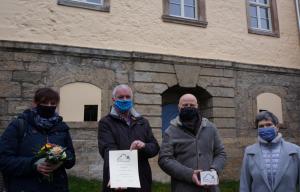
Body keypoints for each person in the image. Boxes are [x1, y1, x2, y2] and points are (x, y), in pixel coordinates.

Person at [0, 88, 76, 192]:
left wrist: (61, 156)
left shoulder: (61, 128)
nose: (49, 106)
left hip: (56, 187)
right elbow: (4, 160)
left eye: (52, 103)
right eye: (44, 102)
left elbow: (71, 159)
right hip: (25, 186)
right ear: (35, 103)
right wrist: (34, 165)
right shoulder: (19, 126)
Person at [158, 94, 226, 192]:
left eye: (192, 105)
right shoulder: (171, 131)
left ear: (197, 107)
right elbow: (164, 159)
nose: (189, 108)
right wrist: (189, 174)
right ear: (179, 107)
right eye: (185, 105)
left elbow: (221, 153)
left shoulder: (211, 128)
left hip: (210, 188)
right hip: (183, 187)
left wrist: (214, 170)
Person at [98, 84, 160, 192]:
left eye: (127, 97)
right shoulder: (106, 122)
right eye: (120, 97)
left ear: (132, 99)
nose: (124, 100)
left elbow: (154, 147)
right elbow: (108, 149)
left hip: (142, 180)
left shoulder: (142, 122)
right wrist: (118, 177)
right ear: (113, 99)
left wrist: (143, 146)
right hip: (119, 180)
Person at [240, 111, 300, 192]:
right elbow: (245, 184)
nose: (265, 128)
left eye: (268, 125)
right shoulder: (249, 152)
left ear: (277, 127)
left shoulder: (295, 151)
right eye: (261, 126)